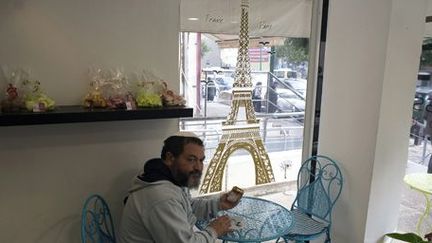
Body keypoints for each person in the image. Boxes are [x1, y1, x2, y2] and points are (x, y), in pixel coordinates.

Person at [118, 131, 240, 243]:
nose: (198, 167)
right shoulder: (163, 197)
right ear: (170, 158)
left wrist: (218, 204)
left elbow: (187, 207)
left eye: (201, 160)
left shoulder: (171, 179)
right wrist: (214, 230)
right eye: (191, 159)